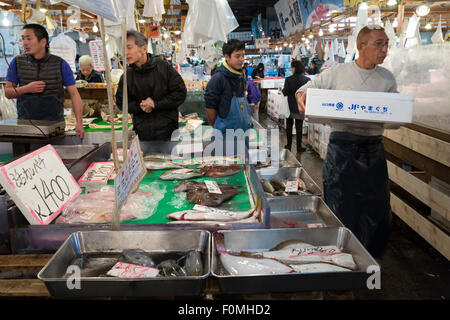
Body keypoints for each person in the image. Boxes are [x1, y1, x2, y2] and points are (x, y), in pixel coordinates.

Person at [296, 26, 397, 257]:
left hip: (374, 147)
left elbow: (393, 114)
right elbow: (306, 88)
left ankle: (366, 259)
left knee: (376, 206)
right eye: (379, 44)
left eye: (386, 44)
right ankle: (340, 257)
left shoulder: (387, 79)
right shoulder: (337, 73)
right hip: (341, 148)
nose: (384, 50)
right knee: (341, 204)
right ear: (361, 46)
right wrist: (302, 95)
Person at [5, 24, 84, 138]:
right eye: (23, 39)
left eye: (29, 38)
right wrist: (26, 88)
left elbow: (74, 94)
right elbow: (8, 93)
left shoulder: (60, 64)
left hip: (55, 126)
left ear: (43, 42)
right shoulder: (17, 62)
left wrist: (79, 123)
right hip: (25, 125)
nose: (25, 42)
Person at [115, 30, 187, 141]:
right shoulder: (126, 76)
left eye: (129, 47)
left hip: (168, 133)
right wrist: (141, 106)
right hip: (142, 134)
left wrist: (155, 104)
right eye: (124, 48)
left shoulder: (164, 67)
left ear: (144, 48)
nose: (125, 52)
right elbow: (121, 102)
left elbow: (180, 93)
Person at [204, 39, 252, 136]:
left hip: (243, 132)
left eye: (243, 55)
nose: (241, 59)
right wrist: (217, 127)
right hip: (225, 134)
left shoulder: (241, 75)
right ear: (227, 57)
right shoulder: (218, 78)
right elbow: (209, 107)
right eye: (237, 56)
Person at [282, 60, 310, 153]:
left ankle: (289, 145)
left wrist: (283, 89)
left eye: (292, 67)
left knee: (289, 126)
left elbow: (285, 92)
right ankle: (299, 147)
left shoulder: (289, 79)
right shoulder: (307, 80)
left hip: (290, 107)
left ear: (294, 68)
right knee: (299, 127)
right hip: (300, 106)